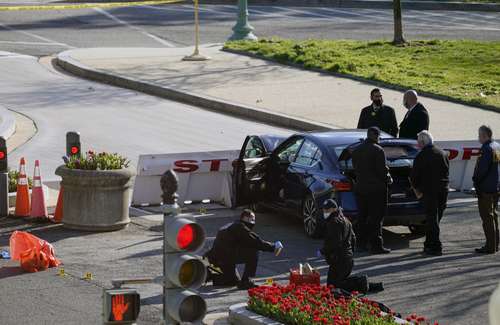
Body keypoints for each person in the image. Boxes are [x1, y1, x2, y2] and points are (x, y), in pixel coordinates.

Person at [204, 209, 283, 289]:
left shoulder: (233, 225)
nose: (253, 222)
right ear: (245, 218)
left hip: (218, 259)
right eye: (252, 219)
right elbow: (255, 241)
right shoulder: (239, 227)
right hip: (222, 258)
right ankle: (246, 281)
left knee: (232, 281)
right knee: (253, 250)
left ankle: (210, 273)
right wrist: (273, 246)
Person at [321, 199, 383, 293]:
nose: (325, 212)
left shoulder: (334, 222)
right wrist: (350, 253)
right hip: (347, 258)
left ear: (334, 209)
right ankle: (368, 285)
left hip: (339, 259)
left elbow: (335, 243)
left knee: (334, 286)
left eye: (327, 210)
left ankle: (362, 281)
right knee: (335, 284)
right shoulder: (345, 220)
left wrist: (323, 251)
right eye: (324, 210)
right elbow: (353, 239)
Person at [351, 127, 392, 254]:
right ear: (375, 136)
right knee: (376, 218)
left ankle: (360, 244)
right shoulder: (378, 150)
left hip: (361, 189)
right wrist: (388, 179)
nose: (379, 139)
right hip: (376, 190)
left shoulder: (357, 150)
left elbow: (355, 168)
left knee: (362, 217)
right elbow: (382, 171)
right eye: (379, 136)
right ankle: (376, 245)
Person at [410, 131, 449, 256]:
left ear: (422, 142)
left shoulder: (421, 156)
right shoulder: (442, 153)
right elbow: (447, 171)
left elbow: (414, 176)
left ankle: (436, 246)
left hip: (430, 191)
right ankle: (429, 243)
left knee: (432, 219)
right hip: (443, 189)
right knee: (436, 219)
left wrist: (417, 190)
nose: (417, 144)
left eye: (418, 142)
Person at [473, 125, 500, 254]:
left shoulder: (486, 149)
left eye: (479, 135)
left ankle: (490, 246)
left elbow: (481, 169)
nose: (478, 137)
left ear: (485, 136)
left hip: (486, 188)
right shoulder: (497, 146)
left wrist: (476, 181)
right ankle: (496, 244)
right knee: (494, 216)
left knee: (487, 218)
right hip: (496, 186)